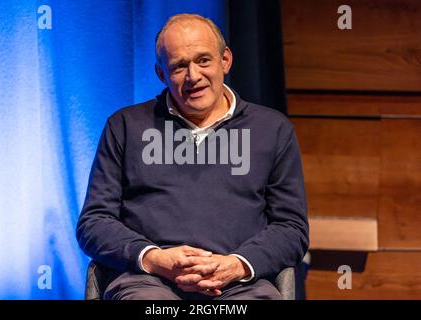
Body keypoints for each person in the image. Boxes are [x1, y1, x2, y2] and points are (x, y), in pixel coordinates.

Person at [76, 13, 309, 300]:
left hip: (239, 285)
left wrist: (236, 264)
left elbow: (291, 228)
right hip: (148, 283)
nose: (193, 76)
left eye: (203, 60)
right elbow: (94, 223)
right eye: (178, 66)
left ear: (225, 60)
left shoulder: (272, 129)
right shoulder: (125, 126)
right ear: (161, 74)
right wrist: (154, 259)